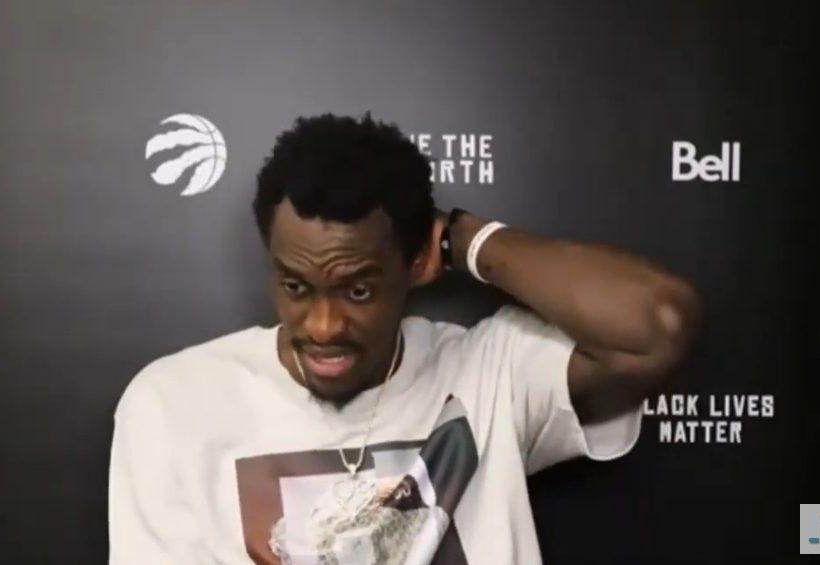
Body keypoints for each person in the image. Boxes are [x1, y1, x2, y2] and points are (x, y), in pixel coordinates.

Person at [108, 113, 702, 564]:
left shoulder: (489, 371)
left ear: (414, 265)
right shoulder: (174, 403)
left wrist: (464, 240)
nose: (322, 325)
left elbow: (657, 327)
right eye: (295, 286)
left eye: (357, 290)